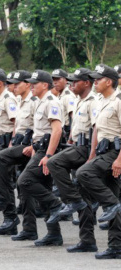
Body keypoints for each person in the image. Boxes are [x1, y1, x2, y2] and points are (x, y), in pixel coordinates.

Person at [46, 68, 99, 253]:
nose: (71, 84)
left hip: (86, 151)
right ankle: (87, 240)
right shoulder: (79, 100)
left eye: (75, 81)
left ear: (87, 82)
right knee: (85, 199)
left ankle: (71, 199)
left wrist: (92, 157)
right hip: (77, 146)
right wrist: (70, 140)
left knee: (53, 162)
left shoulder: (93, 102)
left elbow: (96, 131)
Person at [12, 70, 64, 246]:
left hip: (47, 152)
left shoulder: (51, 102)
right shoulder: (40, 103)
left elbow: (57, 130)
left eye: (35, 83)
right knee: (42, 188)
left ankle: (56, 204)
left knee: (24, 181)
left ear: (45, 85)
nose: (32, 86)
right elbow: (38, 133)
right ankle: (54, 234)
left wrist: (48, 155)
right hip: (39, 149)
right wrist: (35, 151)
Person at [76, 64, 121, 259]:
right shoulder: (102, 100)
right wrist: (92, 154)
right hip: (103, 152)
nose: (95, 81)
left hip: (115, 153)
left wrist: (119, 159)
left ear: (109, 81)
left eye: (98, 79)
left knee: (83, 173)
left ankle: (111, 204)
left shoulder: (119, 101)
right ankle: (116, 247)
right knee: (113, 198)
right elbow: (96, 130)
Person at [0, 70, 35, 235]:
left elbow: (17, 124)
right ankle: (10, 219)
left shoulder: (11, 100)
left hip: (18, 146)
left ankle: (12, 218)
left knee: (11, 183)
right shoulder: (12, 100)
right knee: (3, 183)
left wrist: (11, 145)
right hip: (6, 144)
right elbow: (8, 129)